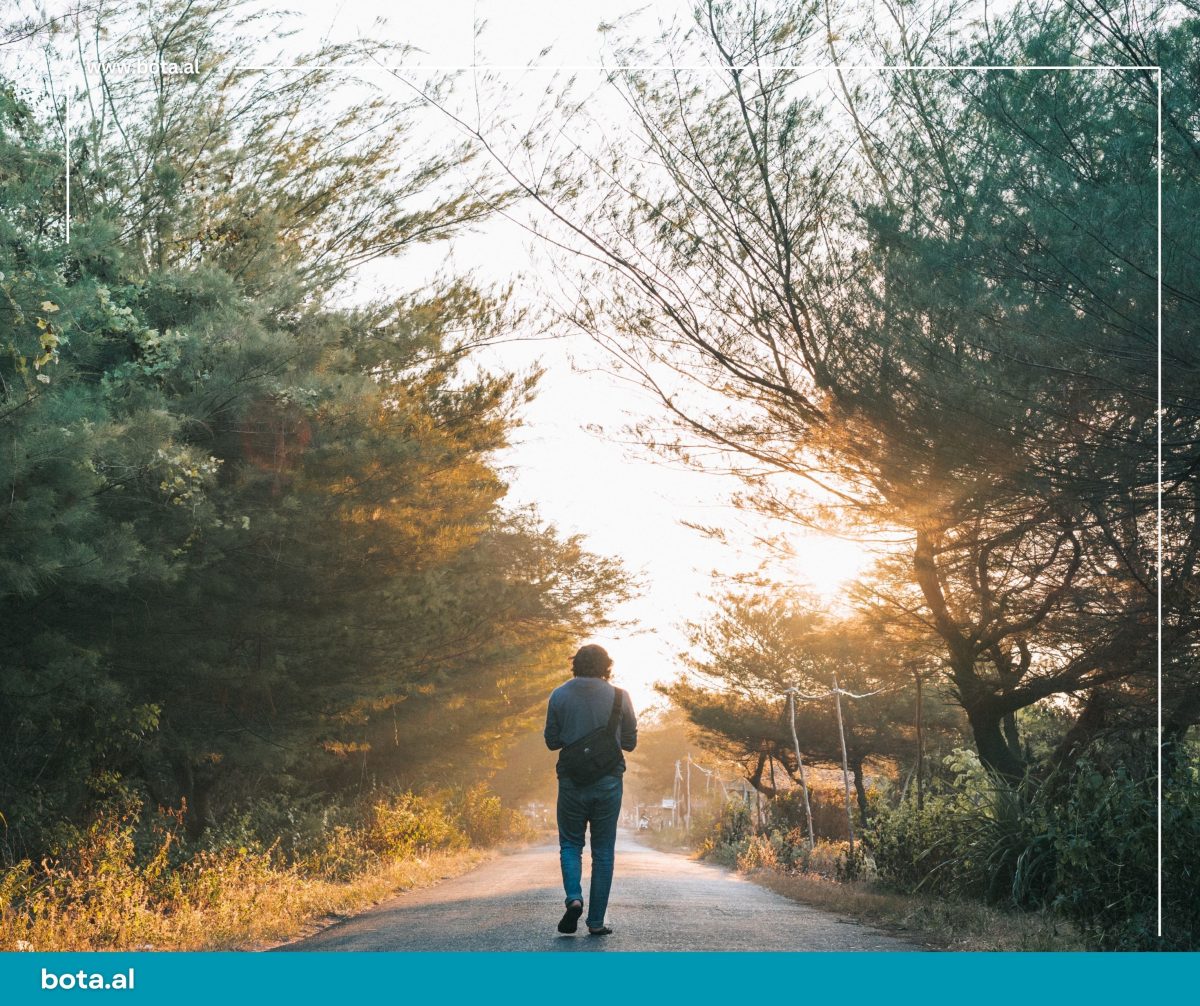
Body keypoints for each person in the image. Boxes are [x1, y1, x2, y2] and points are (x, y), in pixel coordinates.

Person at [543, 643, 637, 936]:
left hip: (571, 781)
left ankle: (574, 898)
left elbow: (552, 741)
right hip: (609, 782)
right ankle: (596, 922)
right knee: (603, 851)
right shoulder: (620, 697)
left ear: (575, 665)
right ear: (606, 666)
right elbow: (630, 743)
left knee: (571, 845)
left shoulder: (558, 695)